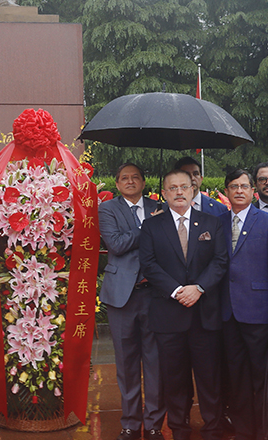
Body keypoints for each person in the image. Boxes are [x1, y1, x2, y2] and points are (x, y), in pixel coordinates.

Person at [139, 169, 228, 440]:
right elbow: (149, 264)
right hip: (169, 314)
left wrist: (198, 288)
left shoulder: (212, 223)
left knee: (209, 378)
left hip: (204, 314)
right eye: (172, 188)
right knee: (174, 379)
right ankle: (179, 428)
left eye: (184, 187)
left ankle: (213, 428)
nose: (179, 192)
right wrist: (178, 290)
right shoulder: (152, 226)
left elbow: (220, 261)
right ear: (163, 193)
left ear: (193, 190)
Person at [219, 169, 268, 440]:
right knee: (236, 377)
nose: (239, 191)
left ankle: (267, 430)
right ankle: (244, 430)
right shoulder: (218, 222)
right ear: (226, 191)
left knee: (262, 375)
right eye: (233, 186)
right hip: (227, 312)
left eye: (244, 186)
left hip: (259, 310)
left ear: (253, 191)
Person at [99, 163, 165, 440]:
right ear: (117, 183)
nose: (129, 181)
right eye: (124, 177)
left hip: (155, 295)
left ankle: (153, 425)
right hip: (121, 297)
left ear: (143, 182)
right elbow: (115, 244)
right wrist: (149, 227)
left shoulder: (158, 206)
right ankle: (129, 422)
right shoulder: (107, 209)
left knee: (155, 363)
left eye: (135, 177)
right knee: (126, 364)